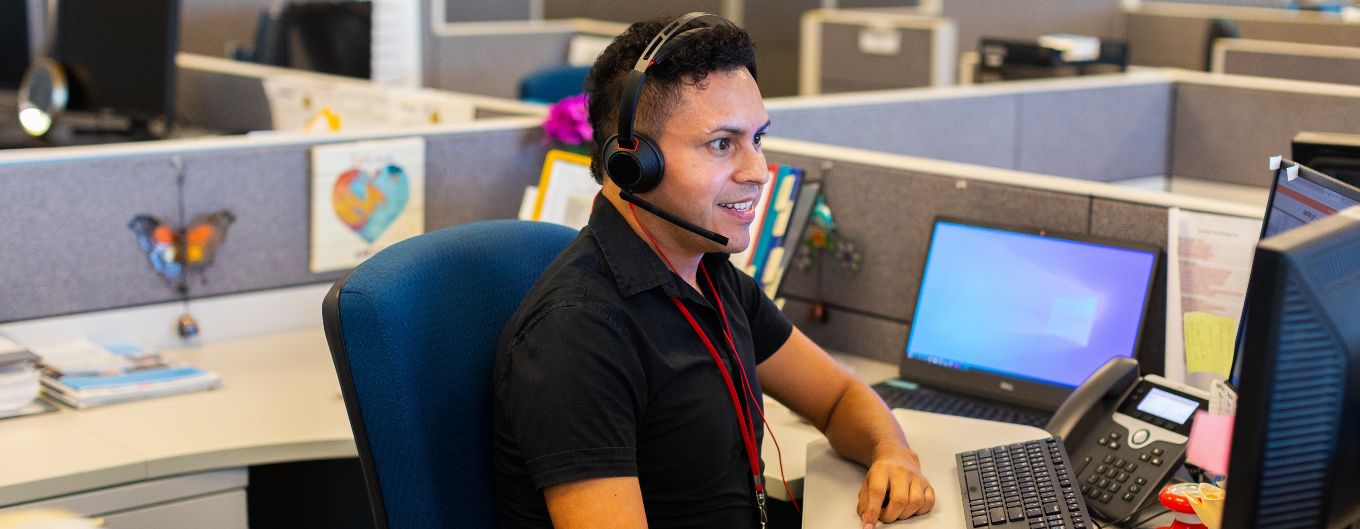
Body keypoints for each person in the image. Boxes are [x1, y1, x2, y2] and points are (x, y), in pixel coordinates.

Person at [493, 14, 934, 529]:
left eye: (757, 139)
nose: (756, 172)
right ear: (633, 165)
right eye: (722, 144)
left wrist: (892, 453)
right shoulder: (579, 334)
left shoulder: (709, 274)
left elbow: (838, 397)